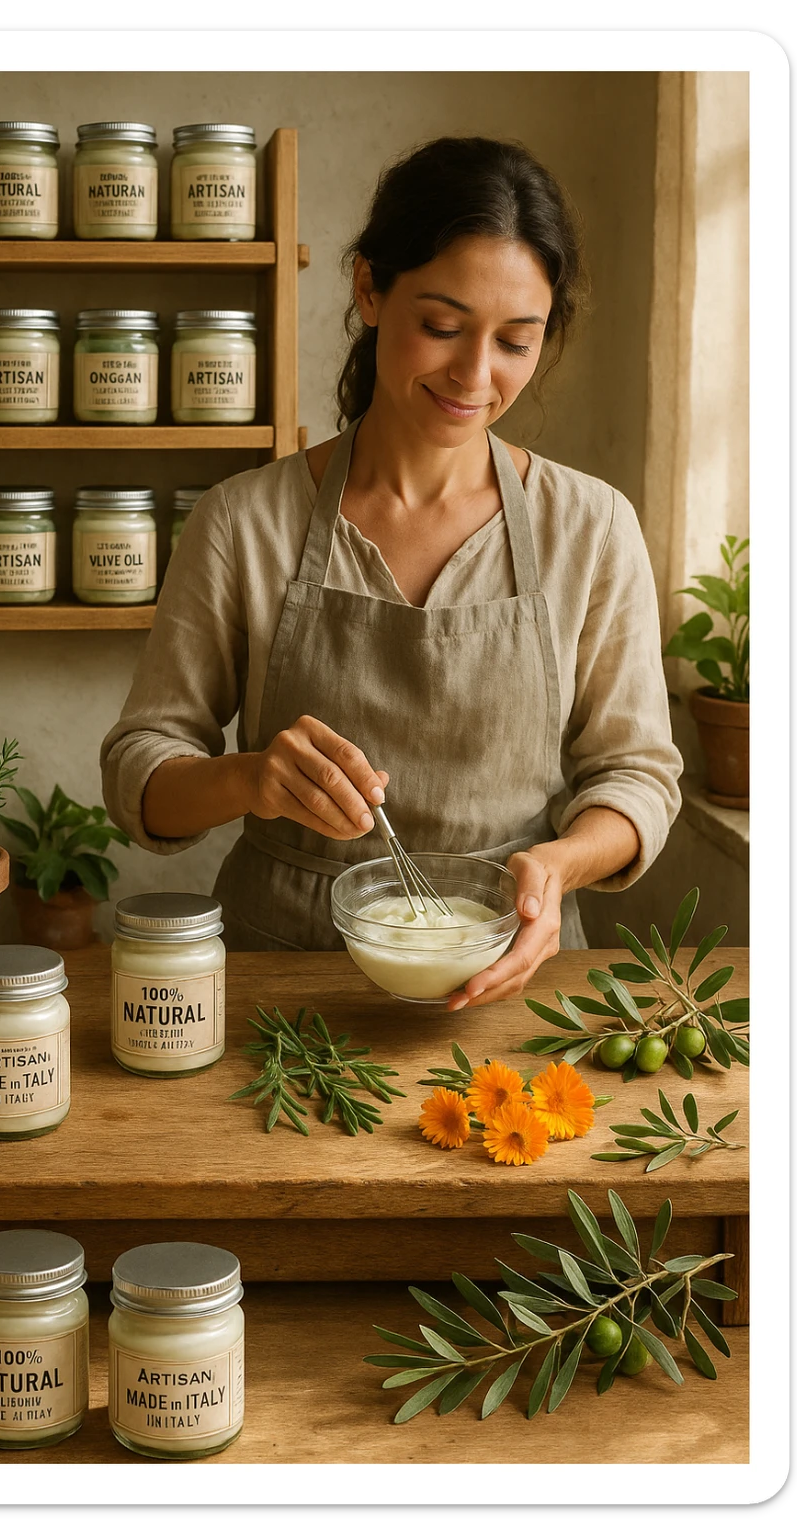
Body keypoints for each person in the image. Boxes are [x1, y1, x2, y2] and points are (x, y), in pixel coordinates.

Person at [100, 136, 683, 1011]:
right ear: (370, 290)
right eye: (442, 327)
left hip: (508, 980)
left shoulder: (591, 527)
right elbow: (140, 768)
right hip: (281, 983)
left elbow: (636, 774)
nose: (475, 376)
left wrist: (558, 868)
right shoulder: (242, 520)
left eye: (516, 342)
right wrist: (250, 778)